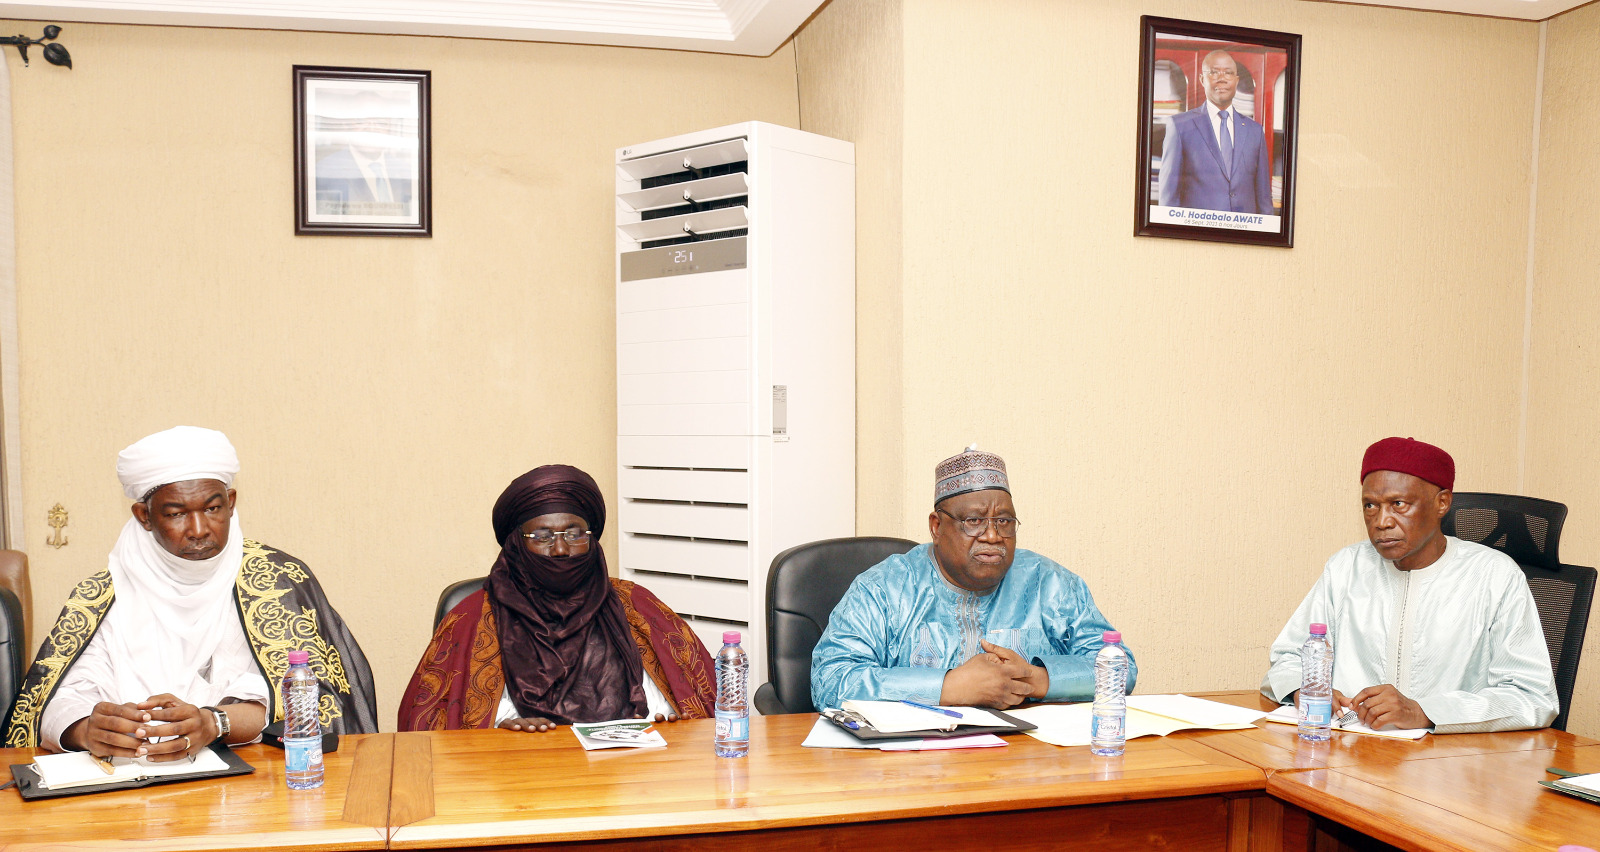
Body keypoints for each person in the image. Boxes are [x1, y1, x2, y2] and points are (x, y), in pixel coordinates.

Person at [3, 426, 377, 755]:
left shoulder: (277, 581)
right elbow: (54, 700)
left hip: (256, 781)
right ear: (144, 516)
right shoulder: (101, 595)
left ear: (231, 503)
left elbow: (317, 701)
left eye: (212, 508)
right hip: (126, 782)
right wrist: (86, 730)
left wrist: (215, 723)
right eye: (177, 513)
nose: (199, 529)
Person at [1261, 437, 1558, 733]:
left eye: (1398, 504)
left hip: (1451, 756)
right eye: (1370, 505)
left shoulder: (1494, 575)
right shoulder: (1346, 567)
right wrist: (1307, 690)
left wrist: (1423, 712)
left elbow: (1532, 697)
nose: (1381, 521)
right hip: (1350, 748)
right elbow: (1288, 659)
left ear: (1442, 503)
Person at [811, 446, 1135, 711]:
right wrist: (950, 687)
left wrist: (1037, 679)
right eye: (974, 521)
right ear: (937, 526)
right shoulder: (884, 589)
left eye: (1004, 521)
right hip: (916, 761)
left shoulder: (1049, 584)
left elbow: (1120, 668)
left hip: (1025, 760)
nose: (993, 536)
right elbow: (829, 680)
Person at [397, 464, 717, 733]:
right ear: (516, 543)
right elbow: (429, 724)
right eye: (542, 536)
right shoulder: (473, 617)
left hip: (631, 771)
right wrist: (500, 727)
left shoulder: (636, 605)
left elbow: (702, 701)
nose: (561, 549)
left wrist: (669, 719)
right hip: (514, 774)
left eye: (574, 534)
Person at [1157, 49, 1273, 215]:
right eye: (1214, 72)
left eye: (1228, 73)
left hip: (1244, 229)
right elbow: (1168, 198)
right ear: (1202, 80)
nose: (1222, 78)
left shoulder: (1255, 131)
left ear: (1236, 80)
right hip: (1197, 228)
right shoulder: (1180, 126)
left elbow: (1264, 199)